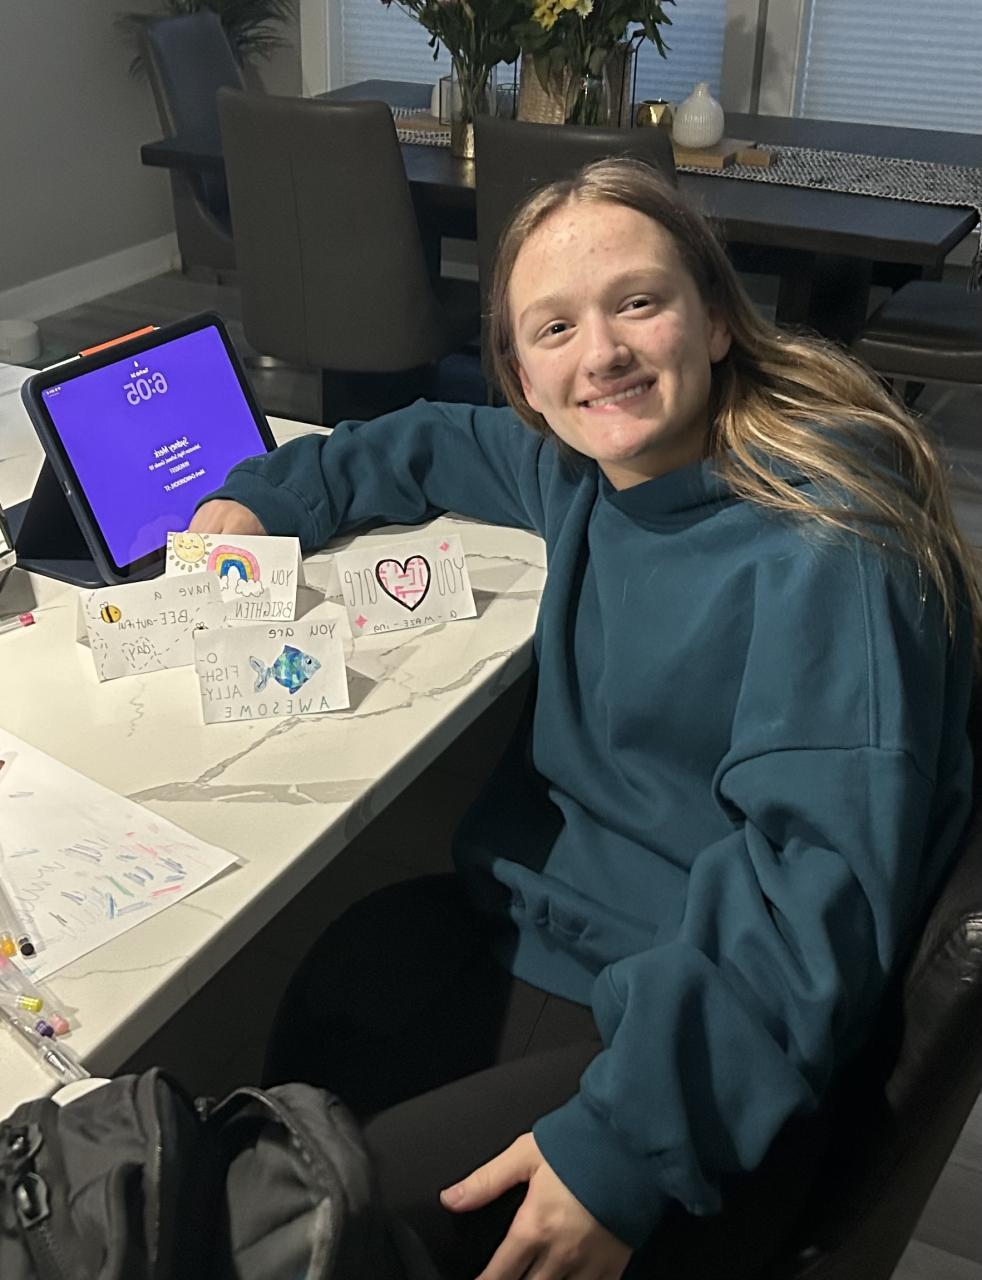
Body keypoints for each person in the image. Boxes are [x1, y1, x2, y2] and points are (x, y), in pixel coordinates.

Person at [190, 159, 979, 1280]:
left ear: (715, 320)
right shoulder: (588, 471)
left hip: (693, 1017)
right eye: (554, 327)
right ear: (522, 375)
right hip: (564, 937)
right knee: (325, 1032)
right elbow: (424, 439)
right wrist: (267, 495)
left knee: (297, 1234)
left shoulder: (828, 546)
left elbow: (820, 896)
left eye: (637, 303)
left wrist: (627, 1141)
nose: (599, 352)